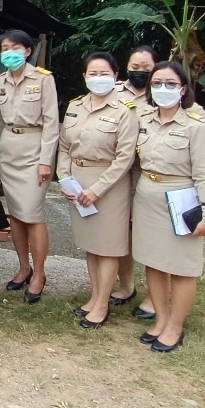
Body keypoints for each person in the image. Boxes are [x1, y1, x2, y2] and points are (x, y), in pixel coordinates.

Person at [132, 61, 205, 353]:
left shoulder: (197, 123)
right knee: (153, 262)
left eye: (170, 84)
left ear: (183, 89)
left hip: (181, 198)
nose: (163, 89)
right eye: (157, 83)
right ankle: (161, 317)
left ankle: (175, 326)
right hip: (147, 196)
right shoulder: (144, 117)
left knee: (182, 268)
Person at [57, 52, 138, 328]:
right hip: (78, 183)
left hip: (109, 185)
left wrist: (97, 189)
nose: (98, 78)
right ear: (84, 77)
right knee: (91, 246)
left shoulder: (125, 110)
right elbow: (65, 145)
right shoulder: (75, 106)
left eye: (104, 74)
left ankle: (102, 305)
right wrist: (64, 177)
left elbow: (125, 158)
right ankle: (94, 296)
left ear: (115, 76)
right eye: (93, 73)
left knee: (108, 248)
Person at [0, 29, 59, 303]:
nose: (9, 52)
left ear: (27, 51)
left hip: (35, 153)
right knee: (16, 214)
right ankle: (23, 267)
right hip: (10, 152)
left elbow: (52, 122)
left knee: (32, 214)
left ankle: (40, 274)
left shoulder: (43, 80)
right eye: (4, 48)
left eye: (14, 47)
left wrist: (46, 160)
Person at [115, 45, 159, 320]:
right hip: (119, 172)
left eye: (145, 68)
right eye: (135, 66)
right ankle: (126, 284)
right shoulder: (115, 92)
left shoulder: (162, 95)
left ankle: (154, 296)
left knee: (152, 234)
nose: (139, 72)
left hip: (150, 173)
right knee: (122, 230)